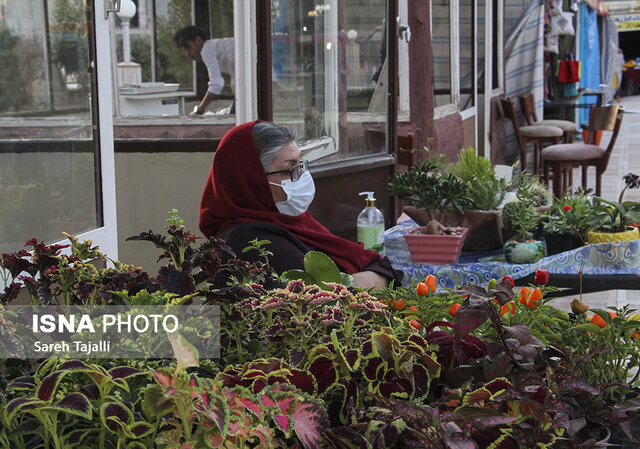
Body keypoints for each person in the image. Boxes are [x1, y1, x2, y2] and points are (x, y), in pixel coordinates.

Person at [199, 121, 403, 289]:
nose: (302, 176)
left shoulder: (295, 224)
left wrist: (364, 279)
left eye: (300, 165)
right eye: (289, 169)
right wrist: (371, 280)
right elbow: (332, 297)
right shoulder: (252, 242)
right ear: (251, 180)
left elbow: (375, 266)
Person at [173, 26, 234, 115]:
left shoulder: (207, 49)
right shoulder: (220, 47)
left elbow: (216, 84)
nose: (187, 54)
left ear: (198, 41)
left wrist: (199, 110)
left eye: (188, 47)